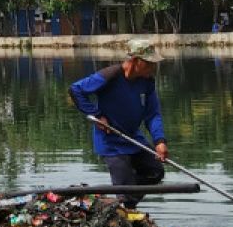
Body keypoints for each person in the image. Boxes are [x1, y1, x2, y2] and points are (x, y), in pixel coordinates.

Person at [69, 39, 167, 208]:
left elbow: (152, 114)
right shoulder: (111, 75)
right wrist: (97, 115)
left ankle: (119, 202)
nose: (153, 68)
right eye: (149, 63)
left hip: (133, 138)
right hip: (111, 142)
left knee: (155, 171)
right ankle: (124, 203)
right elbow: (76, 90)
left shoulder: (147, 82)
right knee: (126, 189)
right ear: (135, 61)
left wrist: (159, 141)